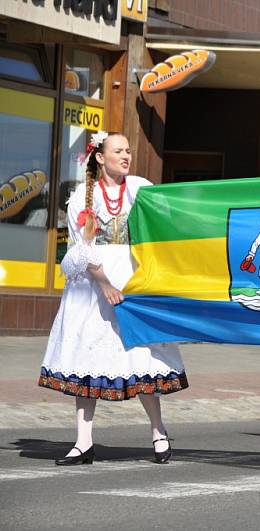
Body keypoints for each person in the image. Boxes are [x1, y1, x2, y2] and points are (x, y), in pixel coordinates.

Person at [38, 131, 188, 465]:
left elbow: (165, 221)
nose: (126, 156)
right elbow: (84, 248)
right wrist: (104, 282)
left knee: (142, 355)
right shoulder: (83, 198)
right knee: (87, 357)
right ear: (100, 157)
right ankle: (83, 441)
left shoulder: (140, 188)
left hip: (134, 280)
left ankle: (159, 434)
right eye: (118, 151)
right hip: (95, 286)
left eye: (129, 150)